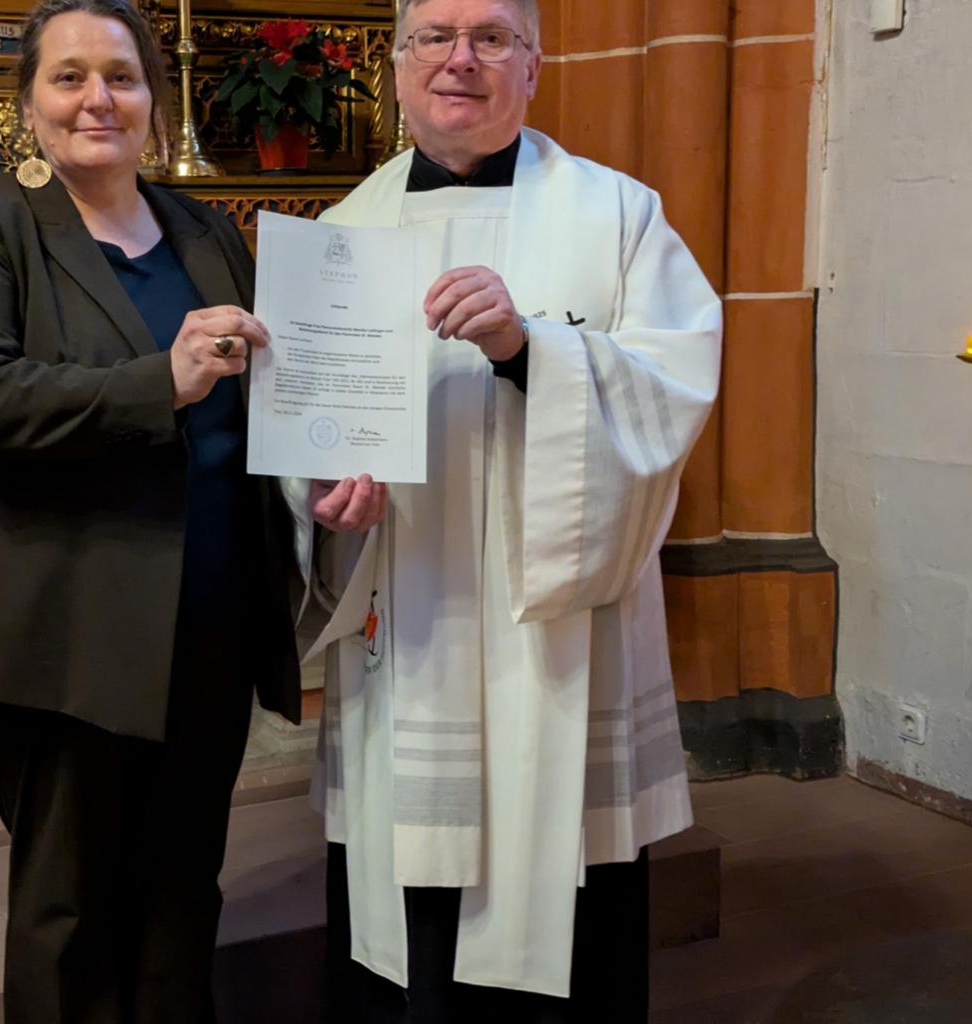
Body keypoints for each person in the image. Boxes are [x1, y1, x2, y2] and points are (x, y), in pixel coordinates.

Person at [0, 1, 383, 1019]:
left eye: (120, 77)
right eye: (67, 77)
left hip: (204, 617)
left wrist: (336, 463)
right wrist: (157, 380)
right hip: (61, 621)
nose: (96, 99)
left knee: (179, 885)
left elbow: (272, 386)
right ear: (26, 105)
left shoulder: (203, 229)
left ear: (153, 105)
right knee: (69, 904)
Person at [293, 0, 724, 1019]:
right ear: (394, 71)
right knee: (412, 921)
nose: (459, 60)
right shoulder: (340, 236)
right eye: (432, 38)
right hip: (408, 613)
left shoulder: (618, 213)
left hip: (558, 630)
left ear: (531, 67)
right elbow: (304, 427)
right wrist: (322, 496)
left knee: (569, 891)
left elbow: (676, 386)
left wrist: (528, 347)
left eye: (491, 38)